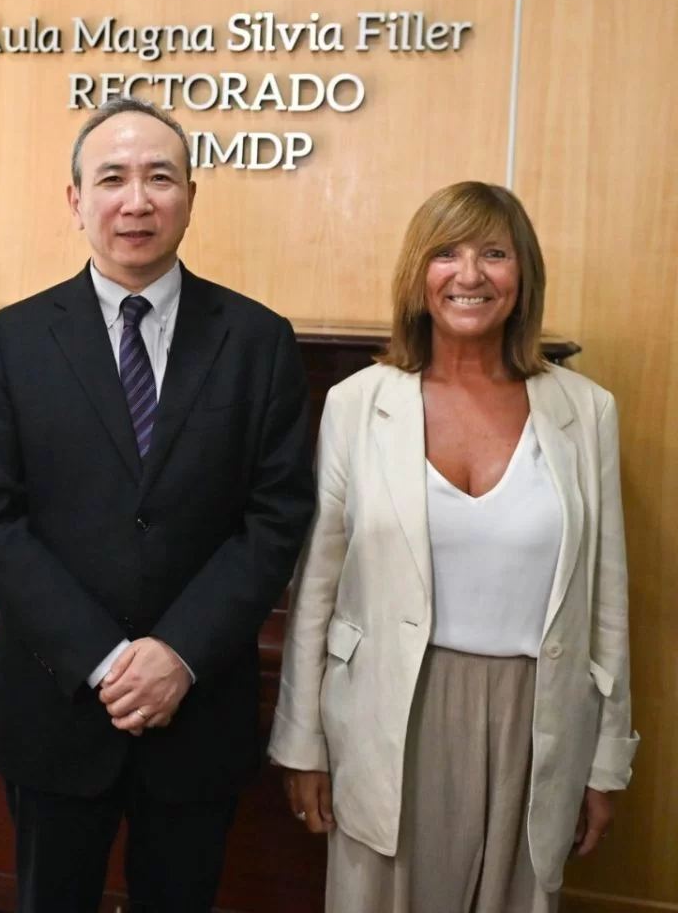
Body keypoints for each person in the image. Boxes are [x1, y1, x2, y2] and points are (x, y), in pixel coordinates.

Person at [0, 96, 316, 913]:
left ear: (191, 195)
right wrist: (105, 659)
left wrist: (177, 654)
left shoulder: (258, 341)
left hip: (197, 705)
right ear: (75, 199)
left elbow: (275, 517)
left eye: (160, 177)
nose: (137, 199)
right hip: (55, 703)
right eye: (112, 177)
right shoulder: (12, 340)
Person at [270, 180, 639, 913]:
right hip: (390, 713)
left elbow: (608, 600)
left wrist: (605, 762)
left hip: (537, 721)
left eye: (493, 254)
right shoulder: (357, 403)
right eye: (447, 254)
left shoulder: (586, 411)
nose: (469, 275)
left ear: (522, 274)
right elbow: (317, 587)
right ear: (418, 275)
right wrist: (302, 743)